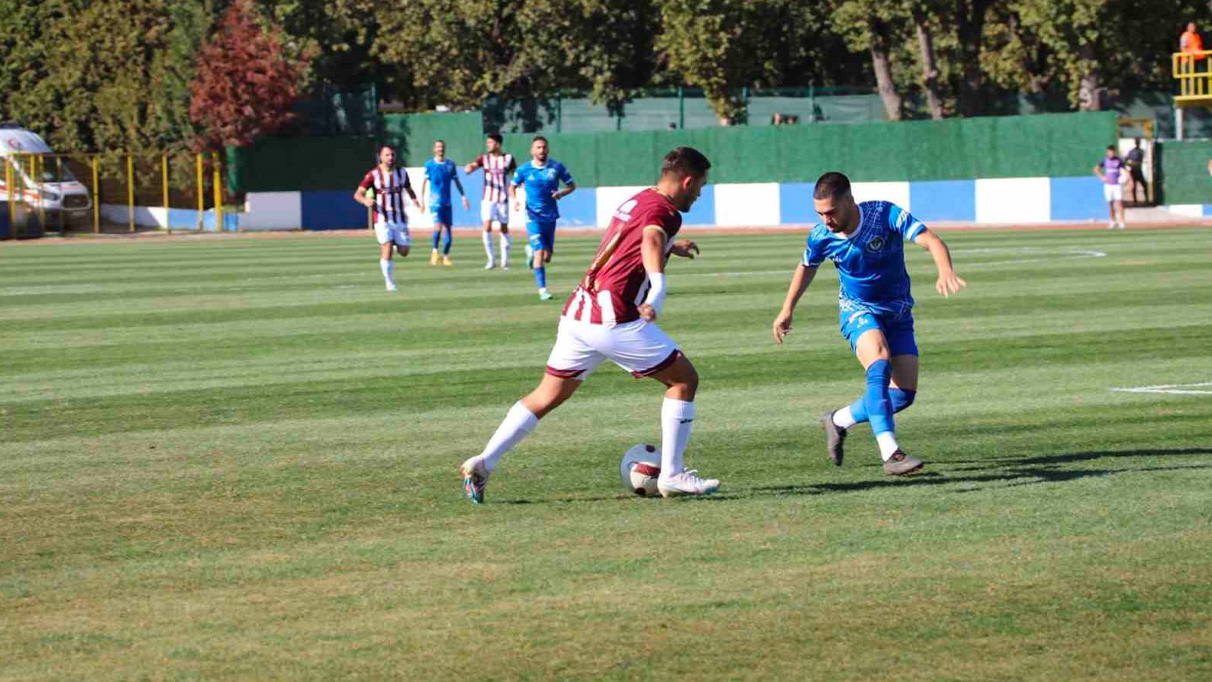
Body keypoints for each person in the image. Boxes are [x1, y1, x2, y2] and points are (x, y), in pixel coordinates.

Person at [460, 147, 720, 503]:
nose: (700, 193)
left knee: (547, 395)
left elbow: (637, 235)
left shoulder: (641, 199)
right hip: (614, 317)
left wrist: (673, 247)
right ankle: (672, 475)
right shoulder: (668, 212)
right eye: (700, 186)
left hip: (579, 313)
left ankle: (485, 461)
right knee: (684, 380)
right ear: (687, 181)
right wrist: (658, 286)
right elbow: (651, 237)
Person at [772, 172, 967, 476]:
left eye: (831, 212)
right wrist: (787, 309)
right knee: (880, 361)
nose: (827, 220)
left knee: (902, 395)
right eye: (820, 214)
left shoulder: (884, 214)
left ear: (850, 201)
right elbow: (806, 266)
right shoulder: (821, 236)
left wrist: (945, 270)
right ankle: (891, 453)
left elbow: (931, 240)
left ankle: (838, 420)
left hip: (899, 312)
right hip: (858, 310)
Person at [510, 136, 576, 300]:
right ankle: (542, 290)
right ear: (532, 151)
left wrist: (561, 193)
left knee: (547, 257)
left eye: (544, 147)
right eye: (538, 148)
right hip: (532, 215)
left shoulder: (556, 167)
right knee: (540, 251)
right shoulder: (524, 169)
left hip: (550, 216)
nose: (541, 150)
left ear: (548, 149)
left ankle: (530, 251)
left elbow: (572, 185)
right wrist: (516, 200)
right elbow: (512, 186)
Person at [354, 145, 420, 292]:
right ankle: (389, 283)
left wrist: (415, 199)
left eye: (392, 155)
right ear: (381, 157)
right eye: (387, 155)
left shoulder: (402, 173)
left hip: (398, 218)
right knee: (387, 249)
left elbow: (408, 188)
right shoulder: (373, 175)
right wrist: (365, 201)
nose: (390, 158)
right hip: (382, 218)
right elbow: (357, 194)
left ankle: (396, 244)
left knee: (404, 252)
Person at [464, 133, 517, 270]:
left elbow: (516, 176)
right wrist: (469, 168)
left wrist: (517, 194)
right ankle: (491, 260)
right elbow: (474, 166)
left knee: (504, 227)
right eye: (487, 142)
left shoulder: (508, 159)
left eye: (490, 142)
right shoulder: (484, 158)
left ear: (498, 144)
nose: (488, 145)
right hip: (488, 198)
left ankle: (505, 262)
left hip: (503, 199)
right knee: (486, 226)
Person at [421, 140, 469, 266]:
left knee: (448, 229)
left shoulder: (450, 165)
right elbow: (424, 183)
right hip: (435, 203)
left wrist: (463, 197)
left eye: (442, 147)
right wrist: (421, 201)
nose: (440, 149)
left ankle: (446, 256)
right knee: (438, 226)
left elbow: (457, 182)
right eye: (438, 147)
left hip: (447, 203)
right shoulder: (429, 165)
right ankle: (435, 252)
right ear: (434, 149)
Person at [1095, 145, 1126, 229]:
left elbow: (1126, 171)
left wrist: (1127, 179)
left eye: (1112, 151)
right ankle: (1112, 221)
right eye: (1109, 151)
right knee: (1110, 203)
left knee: (1120, 203)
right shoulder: (1104, 160)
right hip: (1108, 186)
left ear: (1114, 152)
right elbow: (1096, 169)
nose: (1111, 153)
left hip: (1117, 185)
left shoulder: (1119, 160)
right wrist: (1102, 177)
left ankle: (1122, 222)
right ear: (1107, 152)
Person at [1125, 138, 1148, 204]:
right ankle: (1135, 200)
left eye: (1139, 142)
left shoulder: (1141, 151)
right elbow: (1126, 161)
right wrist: (1131, 164)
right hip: (1133, 170)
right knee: (1134, 186)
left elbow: (1142, 158)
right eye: (1137, 142)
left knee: (1144, 185)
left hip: (1139, 170)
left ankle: (1146, 199)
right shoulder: (1131, 152)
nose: (1138, 143)